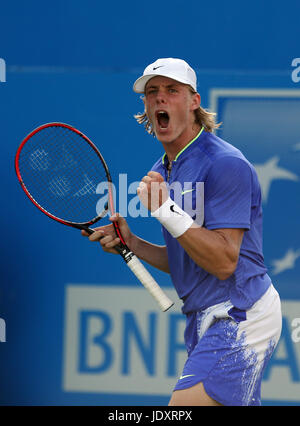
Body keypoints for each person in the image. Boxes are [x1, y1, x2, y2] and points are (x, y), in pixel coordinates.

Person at [82, 58, 282, 406]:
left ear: (194, 102)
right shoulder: (163, 170)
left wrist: (164, 210)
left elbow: (223, 263)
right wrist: (133, 244)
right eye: (152, 92)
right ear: (145, 105)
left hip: (241, 314)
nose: (160, 98)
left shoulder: (225, 164)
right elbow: (189, 260)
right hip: (204, 318)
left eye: (172, 91)